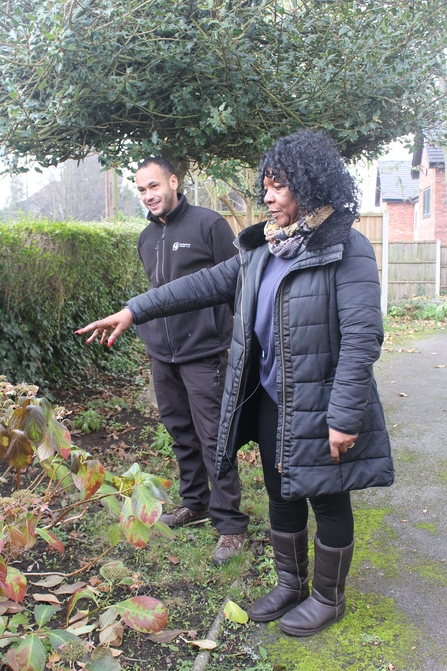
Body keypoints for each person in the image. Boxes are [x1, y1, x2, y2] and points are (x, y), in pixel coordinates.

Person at [77, 130, 394, 636]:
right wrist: (134, 310)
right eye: (265, 186)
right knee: (279, 489)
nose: (266, 197)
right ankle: (290, 584)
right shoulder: (264, 249)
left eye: (278, 187)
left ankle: (327, 598)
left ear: (310, 187)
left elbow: (362, 336)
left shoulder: (346, 248)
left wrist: (344, 415)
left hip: (322, 401)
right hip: (271, 396)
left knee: (327, 497)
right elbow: (199, 285)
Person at [129, 157, 249, 565]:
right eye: (142, 190)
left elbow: (237, 281)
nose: (149, 195)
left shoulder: (209, 224)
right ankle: (194, 502)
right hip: (162, 354)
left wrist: (236, 336)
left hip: (204, 352)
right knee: (180, 432)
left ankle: (230, 525)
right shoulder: (146, 237)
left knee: (214, 437)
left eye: (154, 186)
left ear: (173, 182)